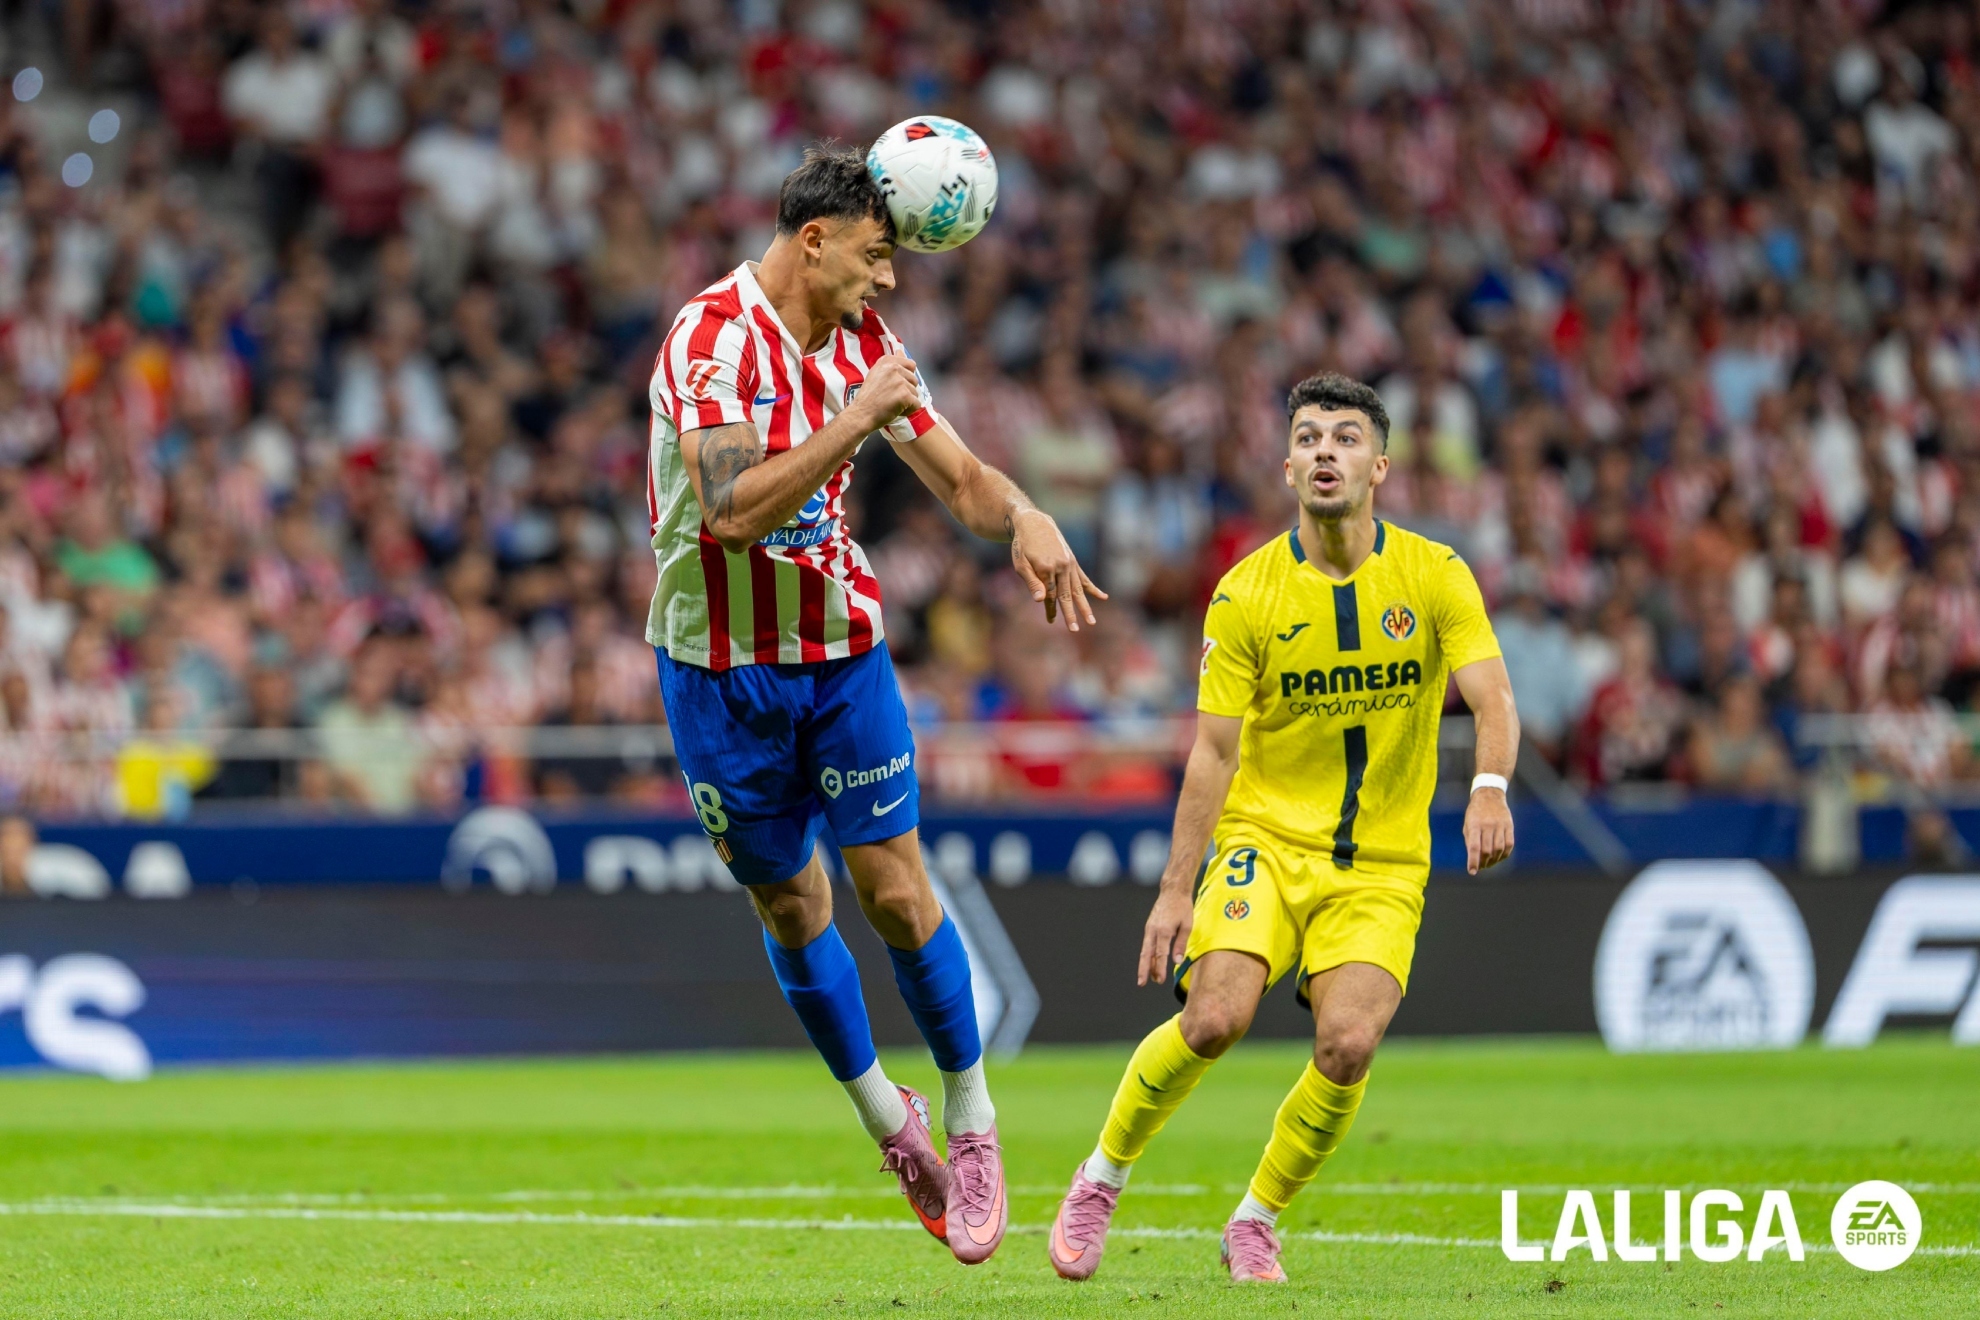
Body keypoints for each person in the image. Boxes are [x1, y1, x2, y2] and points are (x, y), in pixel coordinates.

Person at [645, 146, 1103, 1265]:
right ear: (814, 240)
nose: (888, 281)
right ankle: (888, 1124)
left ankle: (974, 1118)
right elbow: (733, 512)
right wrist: (854, 420)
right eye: (876, 255)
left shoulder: (866, 344)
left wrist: (1026, 517)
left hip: (840, 651)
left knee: (895, 892)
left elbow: (957, 479)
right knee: (794, 908)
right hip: (719, 668)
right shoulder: (711, 339)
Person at [1048, 373, 1519, 1284]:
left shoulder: (1434, 573)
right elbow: (1213, 756)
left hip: (1383, 860)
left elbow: (1491, 694)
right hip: (1266, 841)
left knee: (1348, 1044)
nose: (1324, 453)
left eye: (1345, 438)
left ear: (1380, 465)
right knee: (1215, 1016)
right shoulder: (1245, 595)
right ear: (1286, 465)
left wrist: (1490, 786)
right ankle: (1102, 1176)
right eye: (1307, 438)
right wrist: (1174, 891)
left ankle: (1257, 1217)